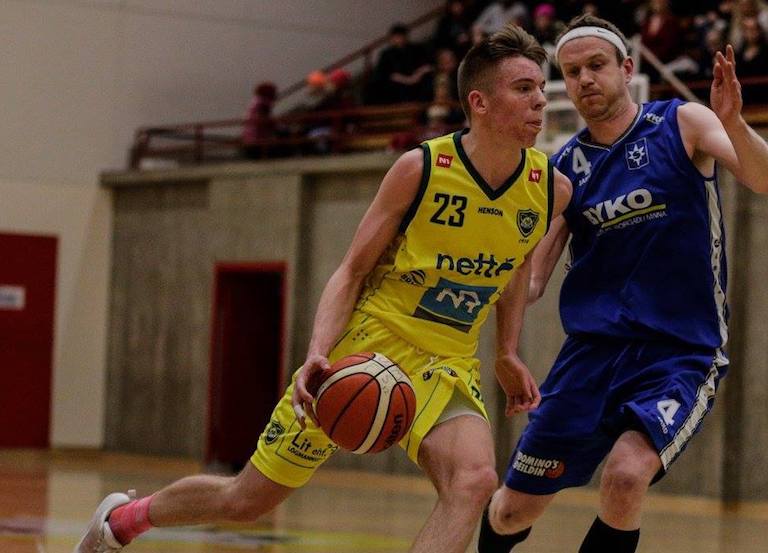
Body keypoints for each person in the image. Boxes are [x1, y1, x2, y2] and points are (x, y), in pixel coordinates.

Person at [74, 24, 572, 553]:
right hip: (367, 348)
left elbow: (516, 266)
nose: (541, 100)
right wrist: (318, 351)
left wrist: (507, 351)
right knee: (246, 500)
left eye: (541, 88)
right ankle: (123, 520)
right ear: (480, 102)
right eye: (524, 88)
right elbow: (351, 271)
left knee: (473, 482)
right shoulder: (421, 169)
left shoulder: (549, 190)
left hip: (447, 363)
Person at [478, 14, 768, 553]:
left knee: (624, 477)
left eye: (596, 65)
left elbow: (763, 177)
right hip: (590, 355)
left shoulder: (682, 123)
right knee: (508, 512)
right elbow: (533, 277)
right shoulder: (563, 169)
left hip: (679, 351)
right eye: (572, 72)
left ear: (627, 68)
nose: (584, 79)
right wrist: (477, 302)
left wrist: (733, 123)